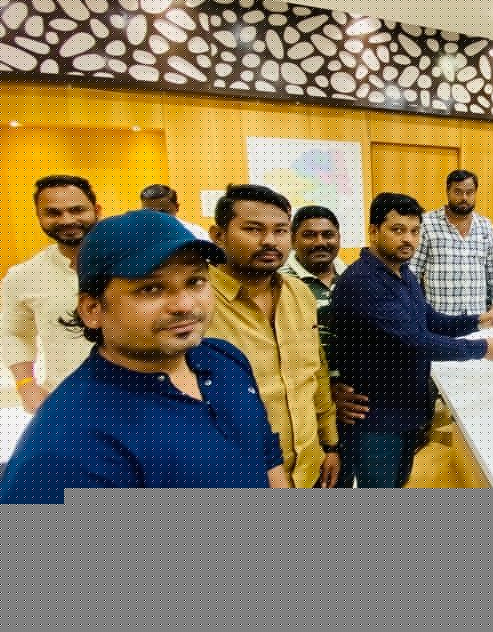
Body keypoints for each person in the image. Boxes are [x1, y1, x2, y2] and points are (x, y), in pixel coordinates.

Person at [0, 210, 288, 503]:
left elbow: (267, 460)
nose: (185, 305)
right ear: (93, 310)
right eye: (151, 288)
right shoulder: (67, 445)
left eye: (195, 281)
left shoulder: (223, 360)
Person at [326, 192, 493, 487]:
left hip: (406, 411)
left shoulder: (403, 273)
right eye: (397, 230)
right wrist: (481, 348)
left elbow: (430, 320)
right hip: (376, 418)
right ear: (374, 231)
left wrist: (478, 320)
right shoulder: (363, 281)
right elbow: (415, 341)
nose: (408, 239)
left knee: (398, 483)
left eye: (414, 231)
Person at [205, 185, 340, 488]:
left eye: (280, 231)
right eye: (253, 229)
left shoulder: (299, 293)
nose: (269, 241)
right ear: (218, 235)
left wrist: (329, 444)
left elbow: (315, 375)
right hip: (237, 475)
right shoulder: (196, 301)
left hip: (309, 468)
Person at [281, 204, 367, 487]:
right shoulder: (281, 284)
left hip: (353, 405)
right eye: (310, 235)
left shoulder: (354, 278)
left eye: (328, 235)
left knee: (344, 479)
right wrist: (327, 396)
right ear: (294, 239)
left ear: (339, 238)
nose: (320, 242)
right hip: (305, 411)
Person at [1, 175, 100, 413]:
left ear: (96, 210)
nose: (67, 220)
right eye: (53, 213)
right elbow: (13, 333)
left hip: (143, 396)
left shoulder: (132, 263)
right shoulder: (24, 275)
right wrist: (26, 386)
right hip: (68, 400)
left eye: (77, 210)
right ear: (39, 217)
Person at [409, 170, 493, 316]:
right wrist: (416, 309)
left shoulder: (486, 227)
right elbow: (413, 271)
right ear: (447, 192)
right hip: (439, 320)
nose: (464, 197)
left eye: (470, 192)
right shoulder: (427, 223)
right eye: (458, 192)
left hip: (477, 320)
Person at [140, 184, 208, 239]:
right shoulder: (137, 235)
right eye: (149, 212)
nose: (156, 217)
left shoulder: (197, 234)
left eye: (162, 212)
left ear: (177, 207)